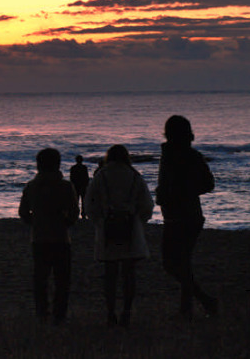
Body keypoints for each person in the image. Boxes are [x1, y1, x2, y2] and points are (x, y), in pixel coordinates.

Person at [156, 115, 219, 320]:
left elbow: (207, 184)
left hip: (180, 215)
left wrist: (178, 192)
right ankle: (187, 309)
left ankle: (203, 300)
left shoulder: (174, 155)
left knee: (171, 263)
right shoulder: (190, 155)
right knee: (182, 263)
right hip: (190, 214)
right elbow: (208, 184)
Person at [84, 145, 154, 327]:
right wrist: (139, 222)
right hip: (131, 228)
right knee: (129, 274)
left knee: (110, 274)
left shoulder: (101, 176)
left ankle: (110, 313)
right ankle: (127, 312)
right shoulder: (135, 176)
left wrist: (99, 221)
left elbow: (89, 203)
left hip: (108, 228)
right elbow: (147, 204)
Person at [19, 148, 79, 324]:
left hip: (39, 237)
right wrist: (65, 222)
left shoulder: (32, 186)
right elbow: (75, 213)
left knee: (40, 278)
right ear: (58, 164)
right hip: (61, 238)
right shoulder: (66, 186)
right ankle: (59, 314)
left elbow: (23, 212)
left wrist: (35, 221)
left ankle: (42, 312)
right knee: (62, 279)